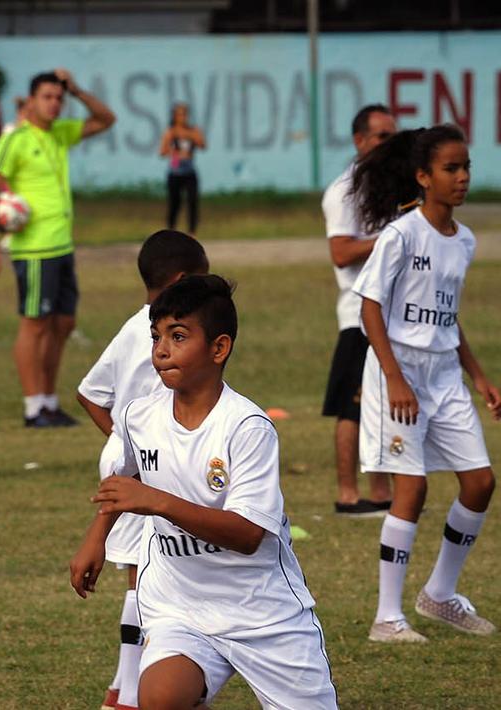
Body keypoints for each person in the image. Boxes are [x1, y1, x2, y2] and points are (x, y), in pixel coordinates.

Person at [69, 275, 337, 709]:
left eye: (178, 336)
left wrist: (159, 503)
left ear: (219, 348)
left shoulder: (247, 427)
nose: (161, 350)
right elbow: (125, 480)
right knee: (160, 698)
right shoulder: (139, 416)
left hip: (261, 612)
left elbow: (248, 535)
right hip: (180, 607)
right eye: (156, 337)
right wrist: (95, 538)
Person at [350, 124, 500, 643]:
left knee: (480, 482)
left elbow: (447, 317)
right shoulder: (401, 235)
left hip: (444, 375)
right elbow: (370, 308)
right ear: (423, 177)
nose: (462, 178)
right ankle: (387, 618)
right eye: (450, 169)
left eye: (466, 168)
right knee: (411, 489)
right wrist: (394, 378)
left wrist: (479, 376)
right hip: (399, 370)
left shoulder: (465, 241)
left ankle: (439, 593)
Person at [75, 230, 208, 710]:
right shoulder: (161, 332)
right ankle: (129, 696)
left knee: (153, 572)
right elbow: (91, 396)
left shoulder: (137, 326)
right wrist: (129, 443)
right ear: (182, 280)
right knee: (144, 579)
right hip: (141, 468)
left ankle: (123, 687)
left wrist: (120, 439)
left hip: (140, 461)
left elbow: (89, 393)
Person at [0, 69, 115, 428]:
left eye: (59, 98)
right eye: (47, 97)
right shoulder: (17, 140)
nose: (54, 104)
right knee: (35, 325)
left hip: (61, 245)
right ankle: (33, 407)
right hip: (35, 250)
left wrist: (77, 89)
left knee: (64, 323)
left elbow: (106, 119)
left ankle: (50, 402)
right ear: (32, 100)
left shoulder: (60, 133)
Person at [321, 104, 397, 517]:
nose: (390, 143)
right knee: (352, 406)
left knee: (383, 405)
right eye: (382, 136)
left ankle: (381, 494)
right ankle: (347, 495)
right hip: (359, 314)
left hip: (394, 314)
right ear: (360, 140)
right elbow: (341, 251)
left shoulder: (393, 185)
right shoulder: (344, 191)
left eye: (393, 136)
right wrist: (393, 237)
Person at [159, 103, 204, 236]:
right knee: (175, 203)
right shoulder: (170, 132)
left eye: (185, 114)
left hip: (189, 172)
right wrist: (175, 153)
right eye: (180, 115)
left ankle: (192, 232)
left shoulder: (193, 131)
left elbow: (202, 145)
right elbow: (162, 151)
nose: (183, 117)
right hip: (175, 172)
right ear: (175, 116)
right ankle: (171, 231)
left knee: (192, 201)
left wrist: (191, 136)